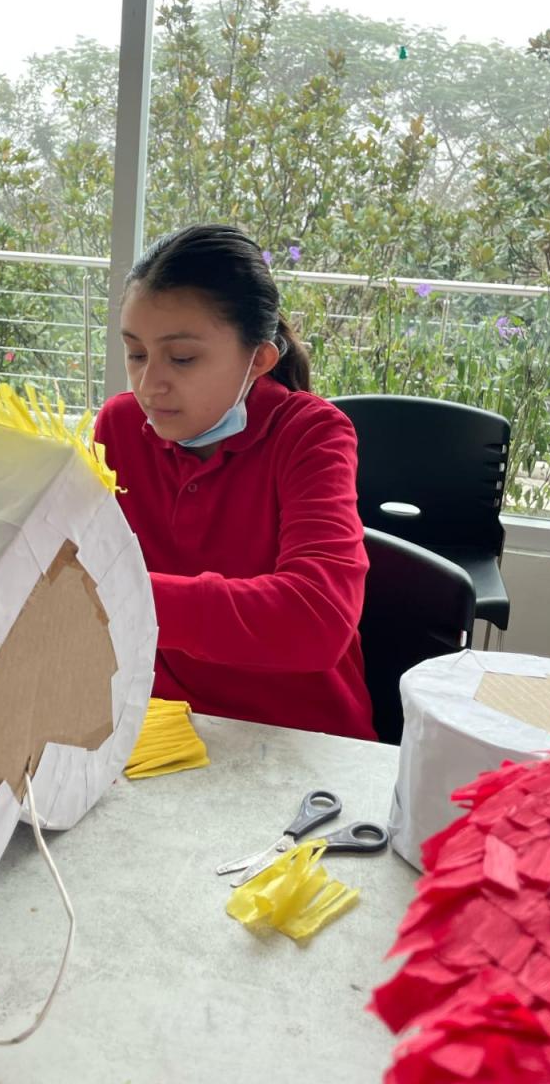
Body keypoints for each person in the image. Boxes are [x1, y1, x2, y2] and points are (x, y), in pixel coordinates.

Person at [94, 224, 375, 740]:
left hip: (297, 735)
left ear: (259, 359)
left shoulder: (311, 434)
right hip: (163, 724)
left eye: (182, 358)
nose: (149, 385)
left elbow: (316, 617)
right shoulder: (120, 426)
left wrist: (116, 596)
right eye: (136, 354)